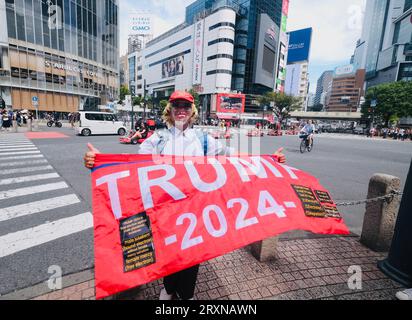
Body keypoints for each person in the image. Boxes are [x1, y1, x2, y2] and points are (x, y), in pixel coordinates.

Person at [84, 91, 286, 300]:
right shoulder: (158, 139)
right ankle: (169, 289)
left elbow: (232, 155)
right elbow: (131, 168)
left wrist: (270, 159)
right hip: (166, 210)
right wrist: (98, 161)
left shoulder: (203, 140)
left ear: (192, 112)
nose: (181, 110)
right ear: (169, 111)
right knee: (169, 252)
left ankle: (186, 294)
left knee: (193, 254)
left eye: (186, 106)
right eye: (177, 106)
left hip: (196, 210)